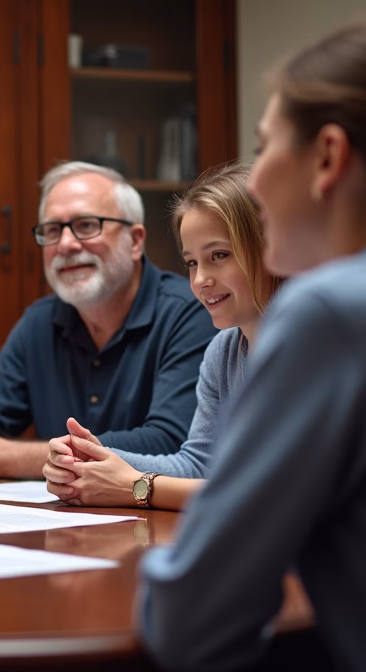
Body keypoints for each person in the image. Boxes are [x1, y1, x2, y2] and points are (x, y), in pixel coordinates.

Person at [138, 17, 366, 670]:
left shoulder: (334, 311)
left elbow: (193, 618)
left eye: (265, 146)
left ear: (328, 157)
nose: (258, 180)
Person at [0, 163, 218, 479]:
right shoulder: (40, 321)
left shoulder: (190, 312)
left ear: (135, 240)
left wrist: (15, 457)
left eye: (86, 225)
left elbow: (172, 444)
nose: (67, 245)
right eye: (53, 230)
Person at [44, 162, 280, 510]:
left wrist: (138, 486)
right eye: (192, 263)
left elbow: (272, 494)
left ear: (270, 250)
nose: (200, 280)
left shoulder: (311, 346)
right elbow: (199, 466)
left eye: (219, 255)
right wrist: (93, 458)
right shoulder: (224, 351)